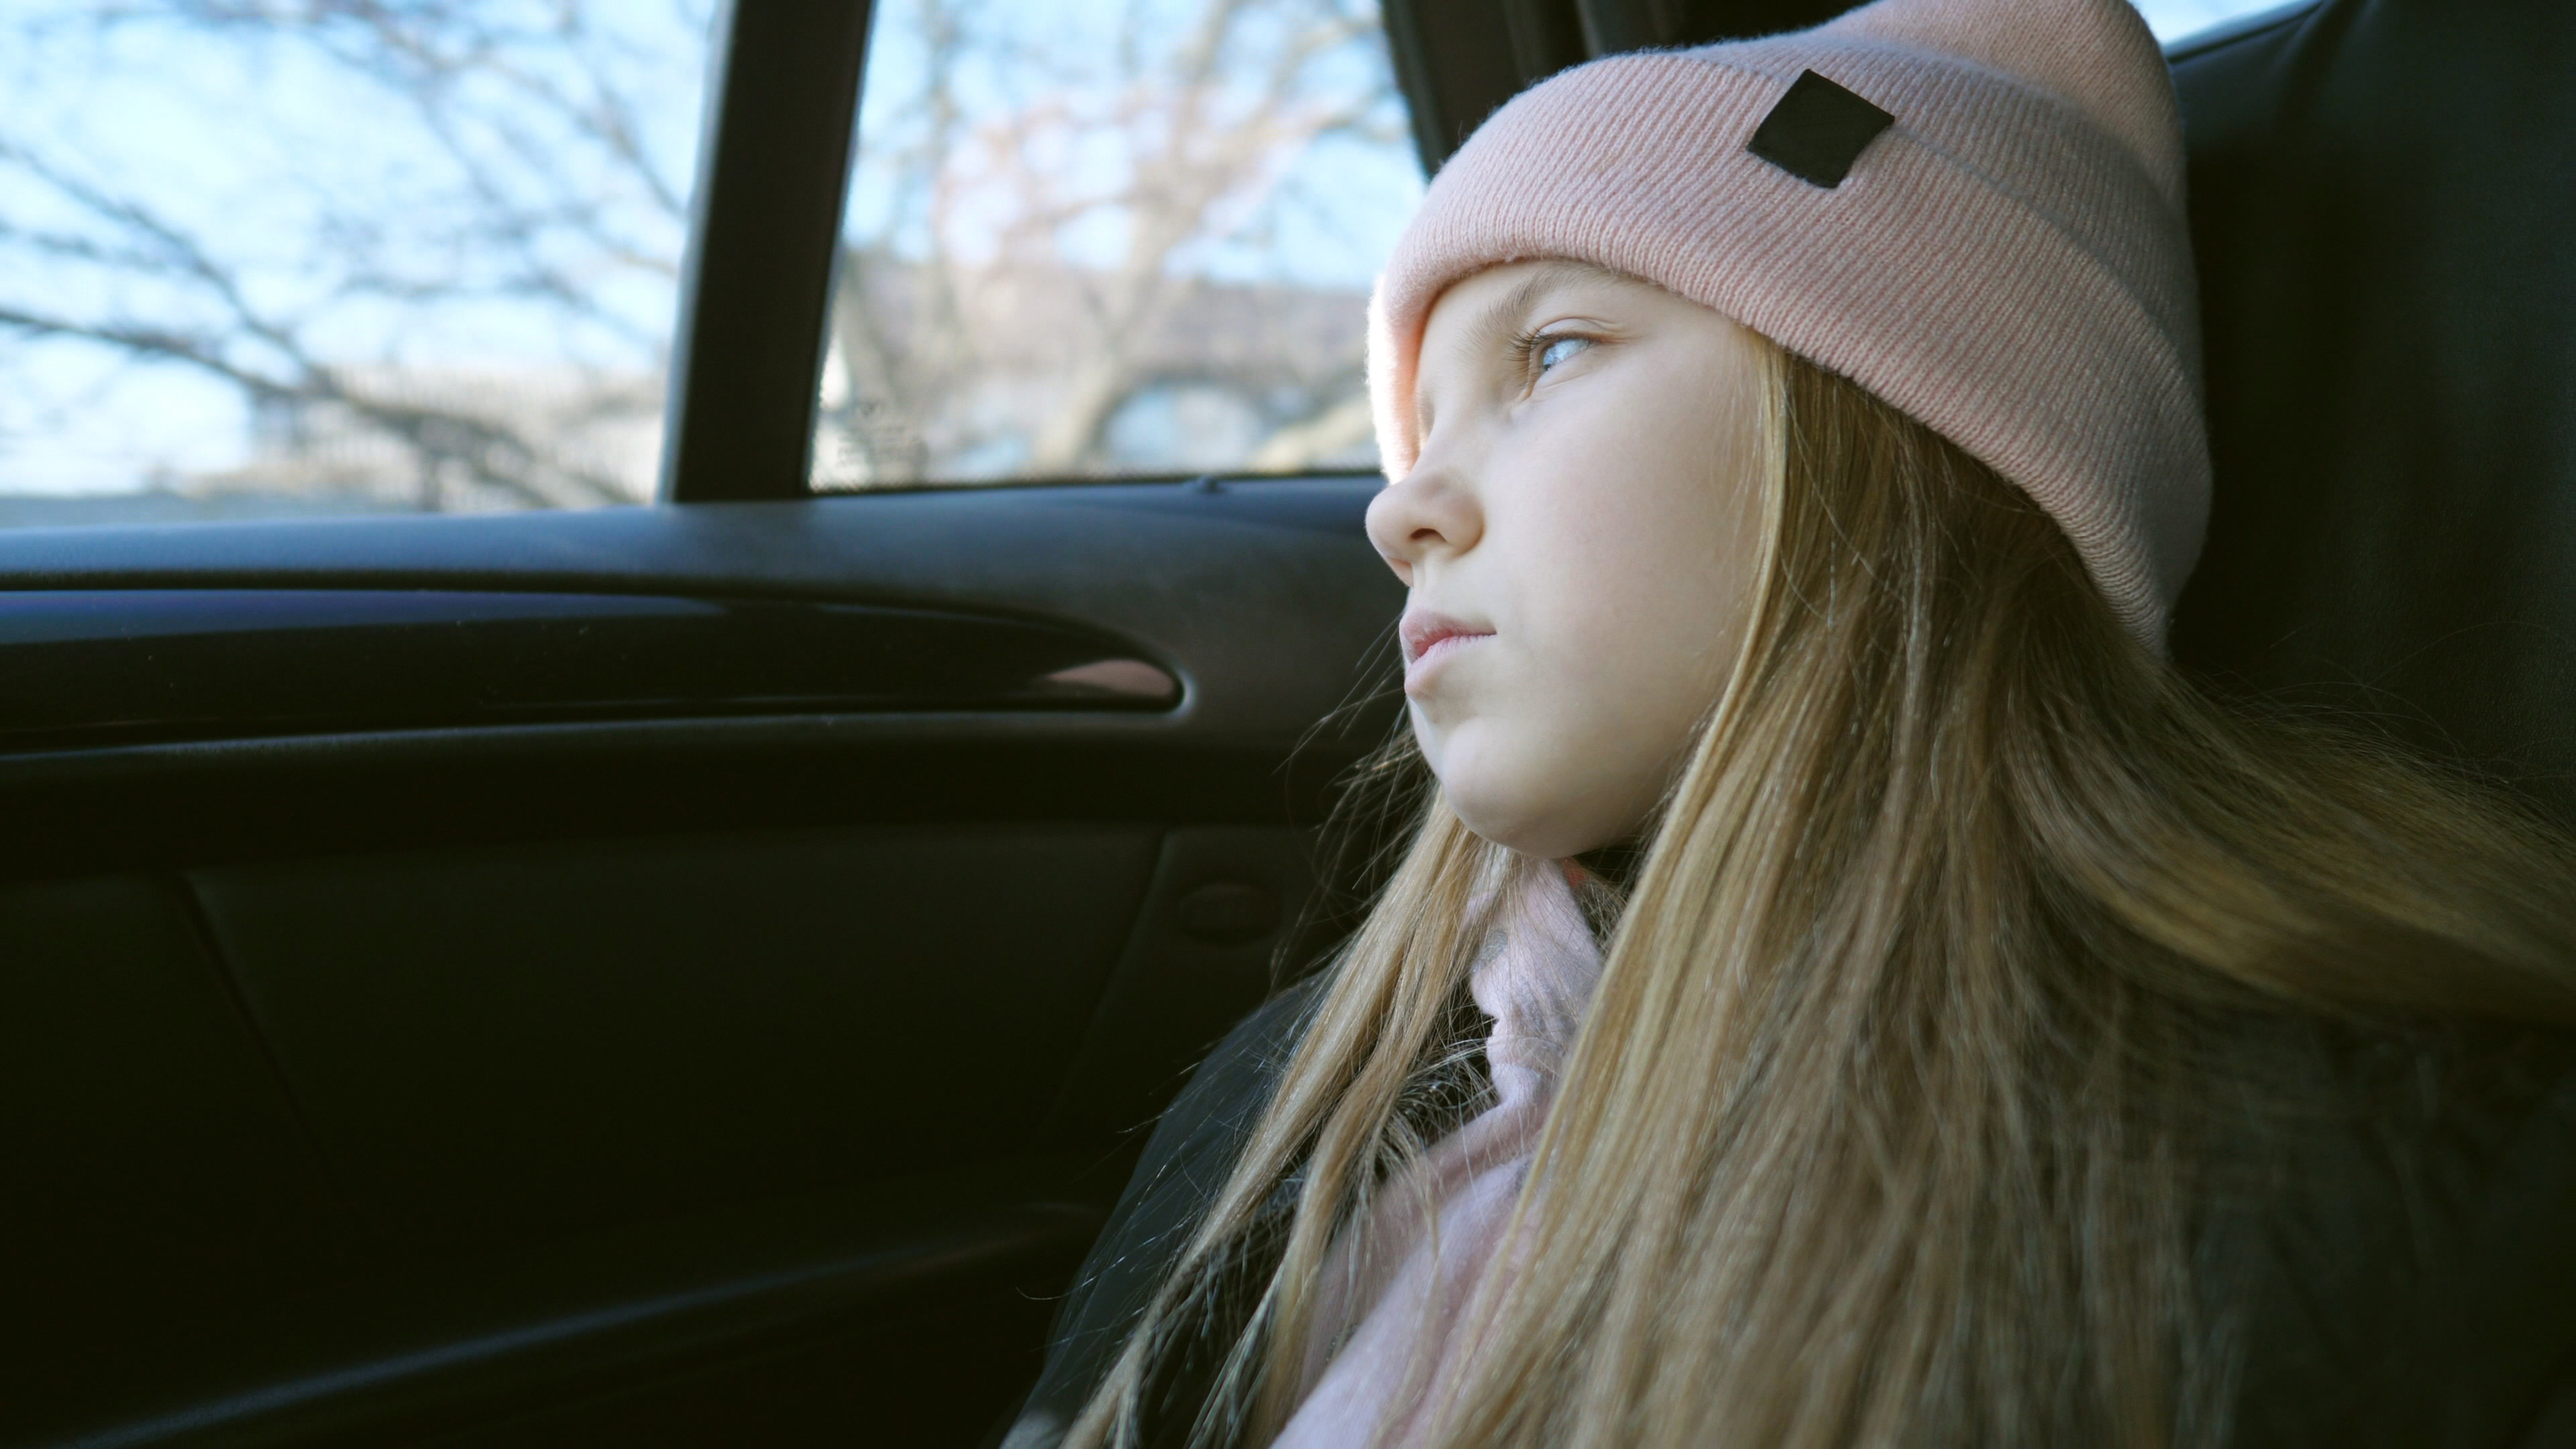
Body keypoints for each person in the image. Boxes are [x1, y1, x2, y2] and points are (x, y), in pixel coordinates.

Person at [1003, 0, 2576, 1443]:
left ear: (1909, 428)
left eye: (1548, 353)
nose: (1399, 508)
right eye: (1418, 425)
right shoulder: (1302, 1101)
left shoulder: (2394, 1179)